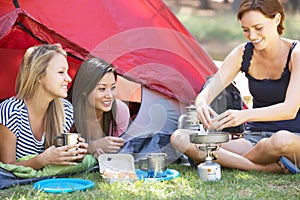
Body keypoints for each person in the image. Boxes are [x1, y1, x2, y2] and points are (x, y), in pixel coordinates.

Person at [171, 0, 300, 173]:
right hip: (252, 140)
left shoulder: (296, 53)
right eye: (246, 30)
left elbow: (289, 109)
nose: (252, 36)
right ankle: (264, 168)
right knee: (180, 137)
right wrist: (201, 101)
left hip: (292, 140)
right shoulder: (243, 53)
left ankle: (226, 160)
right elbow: (211, 89)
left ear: (277, 19)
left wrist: (243, 115)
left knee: (280, 140)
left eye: (258, 28)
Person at [0, 44, 88, 170]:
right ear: (39, 76)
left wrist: (74, 153)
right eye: (61, 72)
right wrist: (43, 159)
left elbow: (59, 159)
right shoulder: (11, 111)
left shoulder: (66, 110)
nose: (68, 79)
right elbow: (6, 168)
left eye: (67, 72)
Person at [68, 57, 130, 159]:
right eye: (102, 89)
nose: (109, 95)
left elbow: (114, 154)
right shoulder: (67, 112)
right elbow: (60, 153)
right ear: (84, 89)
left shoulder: (120, 111)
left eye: (113, 87)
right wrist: (91, 148)